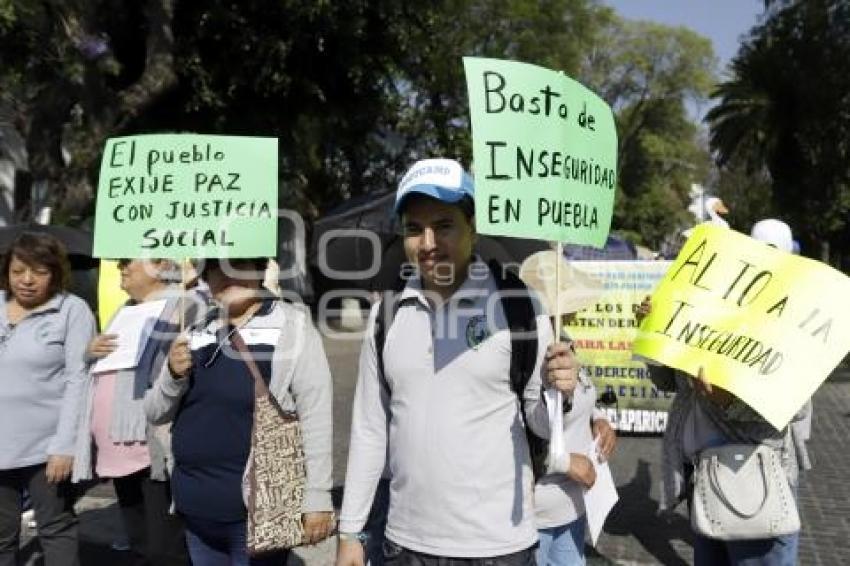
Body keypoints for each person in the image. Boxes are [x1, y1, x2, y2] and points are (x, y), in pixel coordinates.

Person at [336, 158, 579, 566]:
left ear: (472, 226)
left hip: (499, 546)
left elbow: (539, 422)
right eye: (414, 228)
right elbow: (369, 429)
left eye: (444, 224)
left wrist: (560, 392)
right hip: (404, 543)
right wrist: (350, 532)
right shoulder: (387, 313)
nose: (428, 242)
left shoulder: (520, 306)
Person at [636, 218, 809, 566]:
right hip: (704, 476)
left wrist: (726, 401)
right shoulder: (691, 314)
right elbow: (669, 383)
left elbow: (796, 405)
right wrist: (652, 336)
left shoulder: (774, 314)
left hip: (754, 482)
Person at [145, 257, 335, 565]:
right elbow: (155, 413)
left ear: (261, 271)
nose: (227, 274)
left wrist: (318, 497)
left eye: (240, 264)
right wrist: (172, 373)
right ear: (206, 277)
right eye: (217, 268)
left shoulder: (291, 326)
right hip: (195, 510)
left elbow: (316, 415)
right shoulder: (194, 331)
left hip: (259, 513)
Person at [73, 258, 204, 565]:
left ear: (159, 265)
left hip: (153, 446)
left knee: (165, 549)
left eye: (128, 261)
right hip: (118, 445)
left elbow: (180, 369)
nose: (121, 267)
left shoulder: (185, 306)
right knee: (140, 543)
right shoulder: (126, 309)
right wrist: (89, 353)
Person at [0, 232, 96, 566]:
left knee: (55, 527)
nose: (26, 281)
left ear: (55, 273)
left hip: (47, 447)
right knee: (1, 533)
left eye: (39, 272)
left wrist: (65, 445)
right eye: (17, 271)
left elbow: (78, 378)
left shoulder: (72, 310)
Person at [519, 251, 617, 566]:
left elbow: (582, 396)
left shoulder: (565, 341)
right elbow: (517, 427)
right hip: (536, 512)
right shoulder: (523, 352)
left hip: (573, 504)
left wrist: (599, 419)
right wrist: (561, 463)